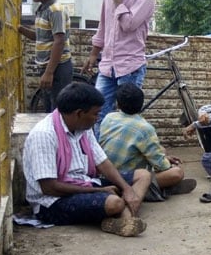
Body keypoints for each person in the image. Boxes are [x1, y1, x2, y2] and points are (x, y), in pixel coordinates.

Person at [23, 82, 151, 237]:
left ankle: (122, 218)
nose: (97, 119)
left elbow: (103, 162)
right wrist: (97, 190)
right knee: (113, 202)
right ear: (79, 113)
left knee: (143, 175)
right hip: (51, 203)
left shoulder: (82, 128)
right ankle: (125, 216)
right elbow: (49, 188)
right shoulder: (44, 135)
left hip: (84, 182)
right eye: (95, 114)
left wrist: (127, 189)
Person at [81, 0, 155, 138]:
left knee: (126, 118)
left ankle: (123, 160)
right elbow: (103, 27)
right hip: (107, 66)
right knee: (97, 115)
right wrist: (93, 54)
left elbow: (129, 24)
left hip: (130, 66)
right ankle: (99, 161)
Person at [99, 83, 197, 201]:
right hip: (129, 178)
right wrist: (168, 163)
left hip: (105, 176)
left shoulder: (109, 117)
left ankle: (158, 188)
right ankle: (152, 190)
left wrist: (163, 155)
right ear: (141, 104)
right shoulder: (144, 128)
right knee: (177, 173)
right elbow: (161, 165)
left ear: (117, 103)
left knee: (161, 150)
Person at [18, 0, 73, 112]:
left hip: (58, 67)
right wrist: (21, 29)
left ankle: (59, 135)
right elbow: (41, 37)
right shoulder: (42, 9)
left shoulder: (55, 10)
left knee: (58, 109)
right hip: (47, 66)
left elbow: (59, 41)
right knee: (49, 108)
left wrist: (49, 72)